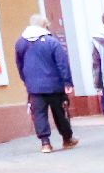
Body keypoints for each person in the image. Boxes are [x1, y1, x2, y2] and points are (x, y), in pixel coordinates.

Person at [15, 14, 77, 154]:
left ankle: (45, 143)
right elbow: (62, 63)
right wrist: (67, 81)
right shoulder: (51, 42)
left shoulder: (21, 43)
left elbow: (19, 64)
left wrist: (26, 80)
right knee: (60, 113)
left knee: (39, 114)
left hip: (34, 87)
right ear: (44, 25)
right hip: (54, 85)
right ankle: (67, 139)